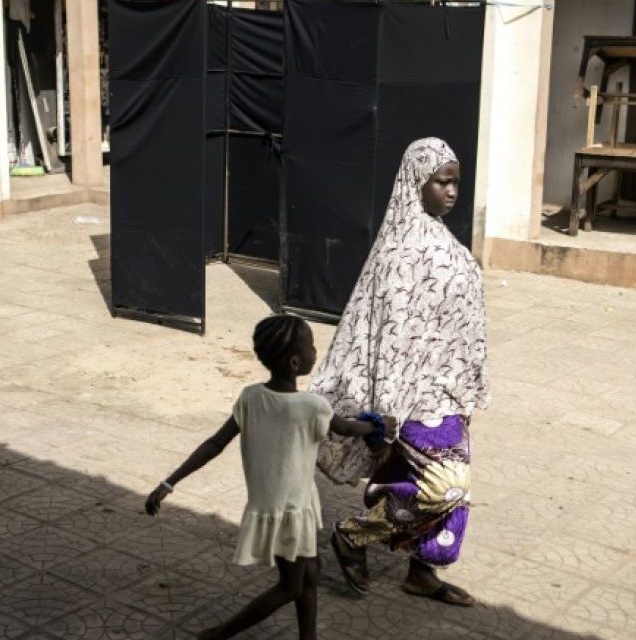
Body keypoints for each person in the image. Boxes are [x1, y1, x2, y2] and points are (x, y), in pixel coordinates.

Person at [311, 138, 490, 607]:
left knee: (451, 488)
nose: (452, 191)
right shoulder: (400, 251)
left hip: (447, 391)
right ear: (417, 182)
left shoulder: (439, 236)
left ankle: (422, 572)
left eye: (456, 182)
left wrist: (466, 391)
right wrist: (387, 410)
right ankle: (355, 535)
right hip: (413, 398)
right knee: (445, 485)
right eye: (442, 181)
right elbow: (389, 336)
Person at [144, 314, 395, 640]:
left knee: (310, 573)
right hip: (291, 512)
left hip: (275, 508)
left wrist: (169, 482)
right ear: (295, 361)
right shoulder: (312, 406)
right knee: (290, 587)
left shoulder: (250, 397)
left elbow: (214, 444)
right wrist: (379, 426)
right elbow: (347, 428)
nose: (315, 352)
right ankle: (219, 634)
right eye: (311, 347)